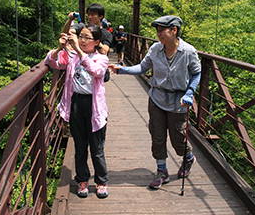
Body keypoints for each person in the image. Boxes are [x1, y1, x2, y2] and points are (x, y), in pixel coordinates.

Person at [108, 15, 201, 189]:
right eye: (157, 31)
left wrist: (190, 92)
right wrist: (123, 70)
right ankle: (162, 171)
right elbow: (143, 67)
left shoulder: (188, 52)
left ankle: (187, 157)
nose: (158, 34)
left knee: (178, 140)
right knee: (157, 137)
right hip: (157, 98)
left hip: (178, 101)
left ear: (174, 30)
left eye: (162, 31)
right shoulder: (155, 49)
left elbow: (196, 73)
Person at [44, 24, 109, 198]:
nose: (82, 40)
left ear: (96, 42)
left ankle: (101, 181)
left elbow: (96, 71)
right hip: (76, 104)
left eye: (87, 38)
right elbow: (50, 62)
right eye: (80, 36)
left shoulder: (102, 58)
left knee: (96, 148)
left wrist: (80, 53)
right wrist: (59, 47)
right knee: (80, 147)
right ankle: (82, 179)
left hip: (94, 106)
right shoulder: (71, 56)